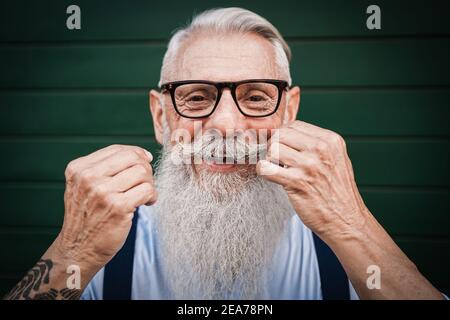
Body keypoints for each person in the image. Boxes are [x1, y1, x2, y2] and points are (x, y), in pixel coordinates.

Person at [5, 7, 446, 300]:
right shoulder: (107, 245)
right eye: (196, 98)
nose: (227, 125)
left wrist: (350, 224)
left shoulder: (343, 249)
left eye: (256, 97)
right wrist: (75, 250)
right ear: (161, 117)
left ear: (289, 110)